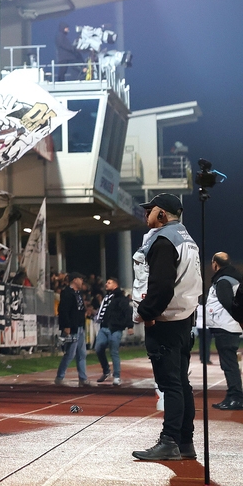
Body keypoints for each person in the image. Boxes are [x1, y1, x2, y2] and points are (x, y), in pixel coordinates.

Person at [131, 193, 202, 462]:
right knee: (181, 383)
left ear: (162, 214)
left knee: (170, 384)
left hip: (166, 321)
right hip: (184, 319)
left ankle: (169, 441)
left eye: (150, 210)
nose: (146, 214)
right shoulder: (186, 239)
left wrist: (147, 313)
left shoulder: (163, 240)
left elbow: (161, 285)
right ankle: (185, 442)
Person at [206, 252, 242, 410]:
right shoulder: (232, 278)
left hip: (225, 328)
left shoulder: (223, 281)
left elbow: (228, 304)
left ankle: (236, 397)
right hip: (229, 327)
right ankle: (234, 396)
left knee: (229, 365)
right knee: (230, 364)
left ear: (215, 264)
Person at [93, 277, 134, 385]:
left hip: (115, 329)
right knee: (98, 348)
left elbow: (127, 312)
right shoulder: (107, 297)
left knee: (114, 352)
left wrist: (130, 326)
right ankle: (106, 370)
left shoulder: (121, 298)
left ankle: (117, 376)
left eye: (109, 283)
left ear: (115, 285)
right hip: (104, 327)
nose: (106, 284)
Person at [55, 273, 91, 387]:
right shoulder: (67, 293)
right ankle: (59, 377)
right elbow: (63, 310)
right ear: (75, 280)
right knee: (70, 354)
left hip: (80, 327)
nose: (82, 281)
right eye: (80, 279)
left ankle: (83, 379)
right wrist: (66, 326)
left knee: (82, 354)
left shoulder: (78, 293)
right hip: (72, 328)